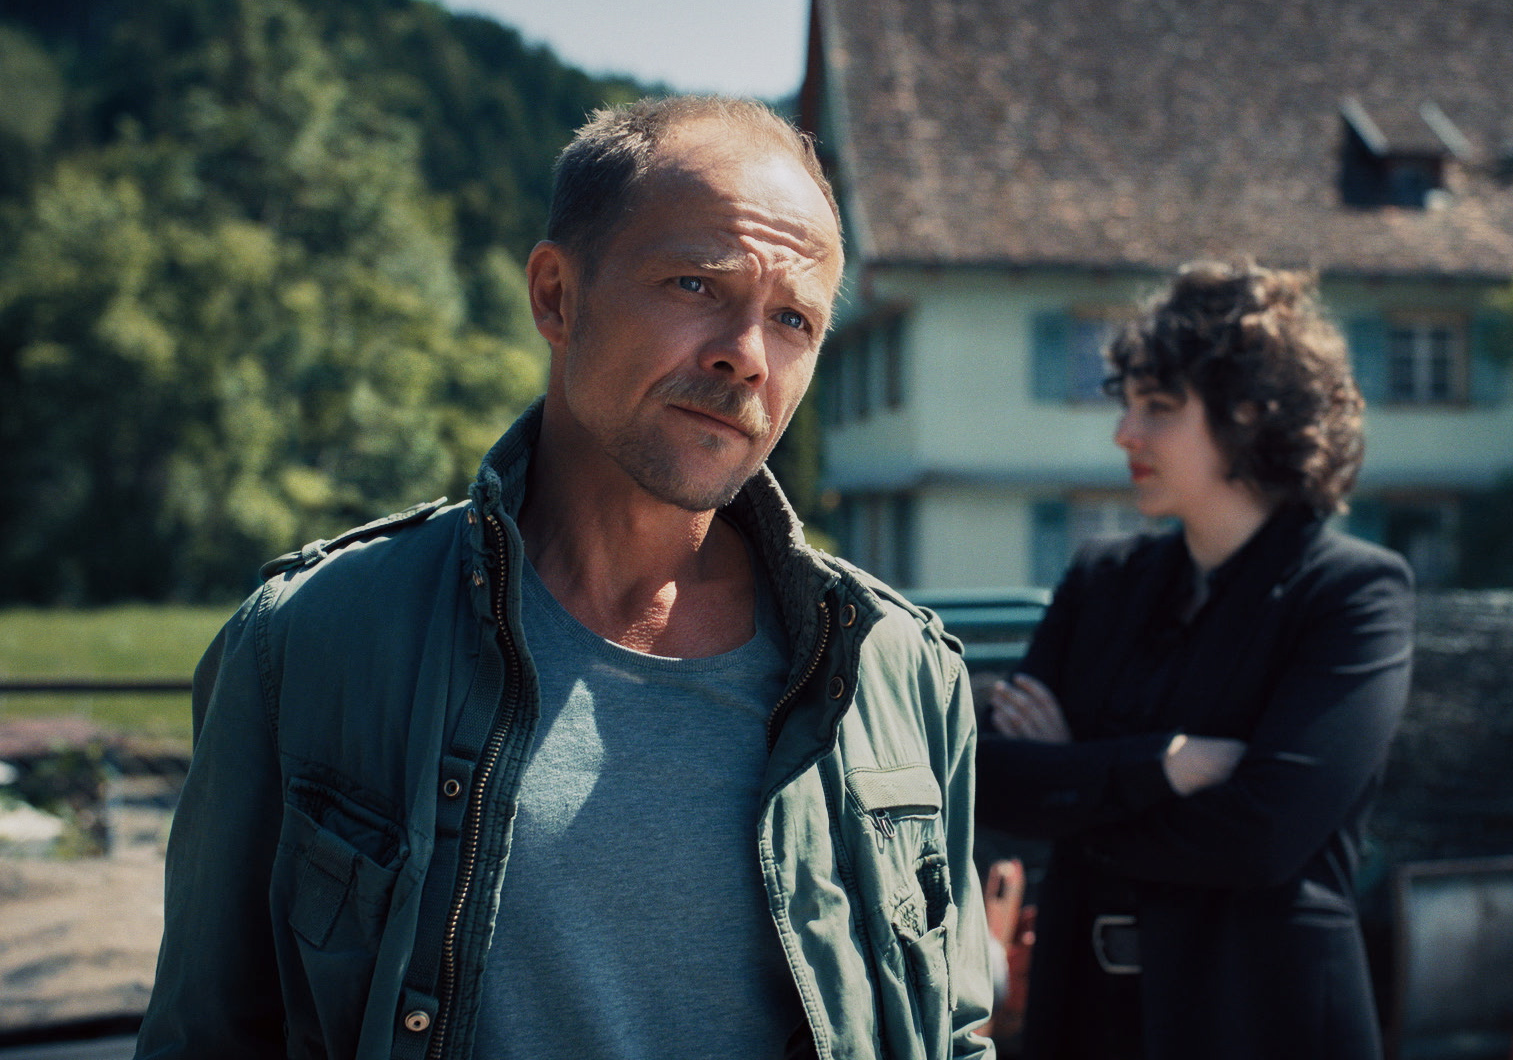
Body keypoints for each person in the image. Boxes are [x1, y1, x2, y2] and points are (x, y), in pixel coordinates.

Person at [136, 97, 993, 1060]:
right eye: (696, 284)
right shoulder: (310, 642)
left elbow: (954, 1033)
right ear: (556, 297)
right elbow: (204, 1039)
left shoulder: (899, 673)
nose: (747, 357)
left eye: (793, 319)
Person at [977, 262, 1414, 1060]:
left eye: (1159, 407)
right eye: (1129, 403)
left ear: (1249, 413)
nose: (1125, 433)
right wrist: (1157, 766)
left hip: (1260, 1022)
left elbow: (1263, 836)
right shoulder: (1102, 578)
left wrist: (1075, 780)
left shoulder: (1352, 594)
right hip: (1084, 1019)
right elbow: (991, 777)